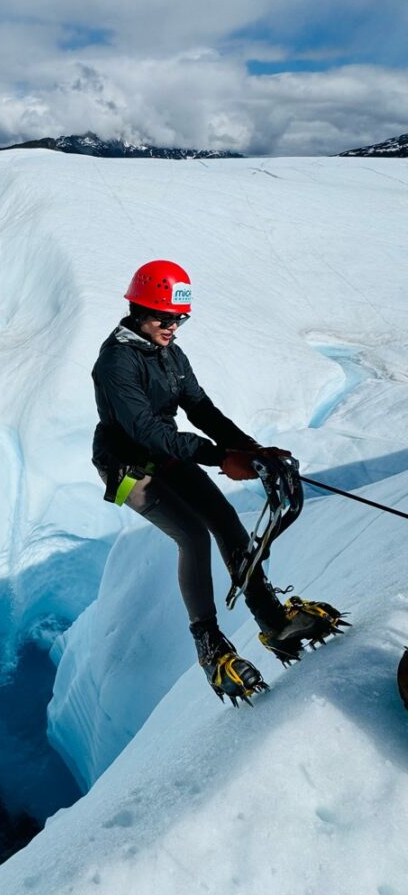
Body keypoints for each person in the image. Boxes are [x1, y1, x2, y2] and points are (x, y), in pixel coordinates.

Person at [91, 259, 345, 704]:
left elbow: (200, 408)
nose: (173, 326)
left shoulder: (167, 350)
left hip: (167, 453)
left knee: (225, 520)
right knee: (192, 536)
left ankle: (272, 619)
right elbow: (147, 431)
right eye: (164, 317)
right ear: (137, 310)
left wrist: (250, 449)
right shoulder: (115, 363)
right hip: (129, 468)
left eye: (179, 317)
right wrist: (219, 457)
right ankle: (209, 649)